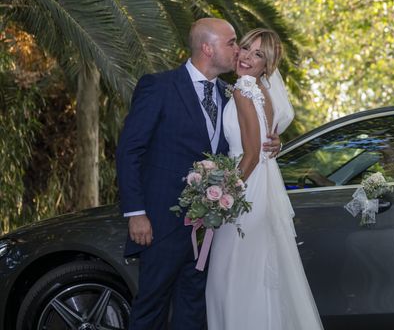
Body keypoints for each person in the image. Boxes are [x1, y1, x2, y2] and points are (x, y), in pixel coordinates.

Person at [116, 18, 281, 330]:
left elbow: (245, 140)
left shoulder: (230, 93)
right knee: (150, 307)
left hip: (207, 228)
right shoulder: (159, 86)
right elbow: (129, 150)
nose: (239, 50)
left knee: (192, 311)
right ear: (208, 48)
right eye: (232, 43)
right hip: (161, 223)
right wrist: (136, 213)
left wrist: (272, 142)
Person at [206, 28, 324, 330]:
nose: (247, 57)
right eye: (246, 48)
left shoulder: (245, 89)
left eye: (258, 54)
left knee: (229, 281)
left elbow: (251, 155)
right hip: (259, 192)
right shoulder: (262, 92)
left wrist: (219, 198)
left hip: (243, 193)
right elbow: (264, 143)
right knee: (256, 282)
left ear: (267, 65)